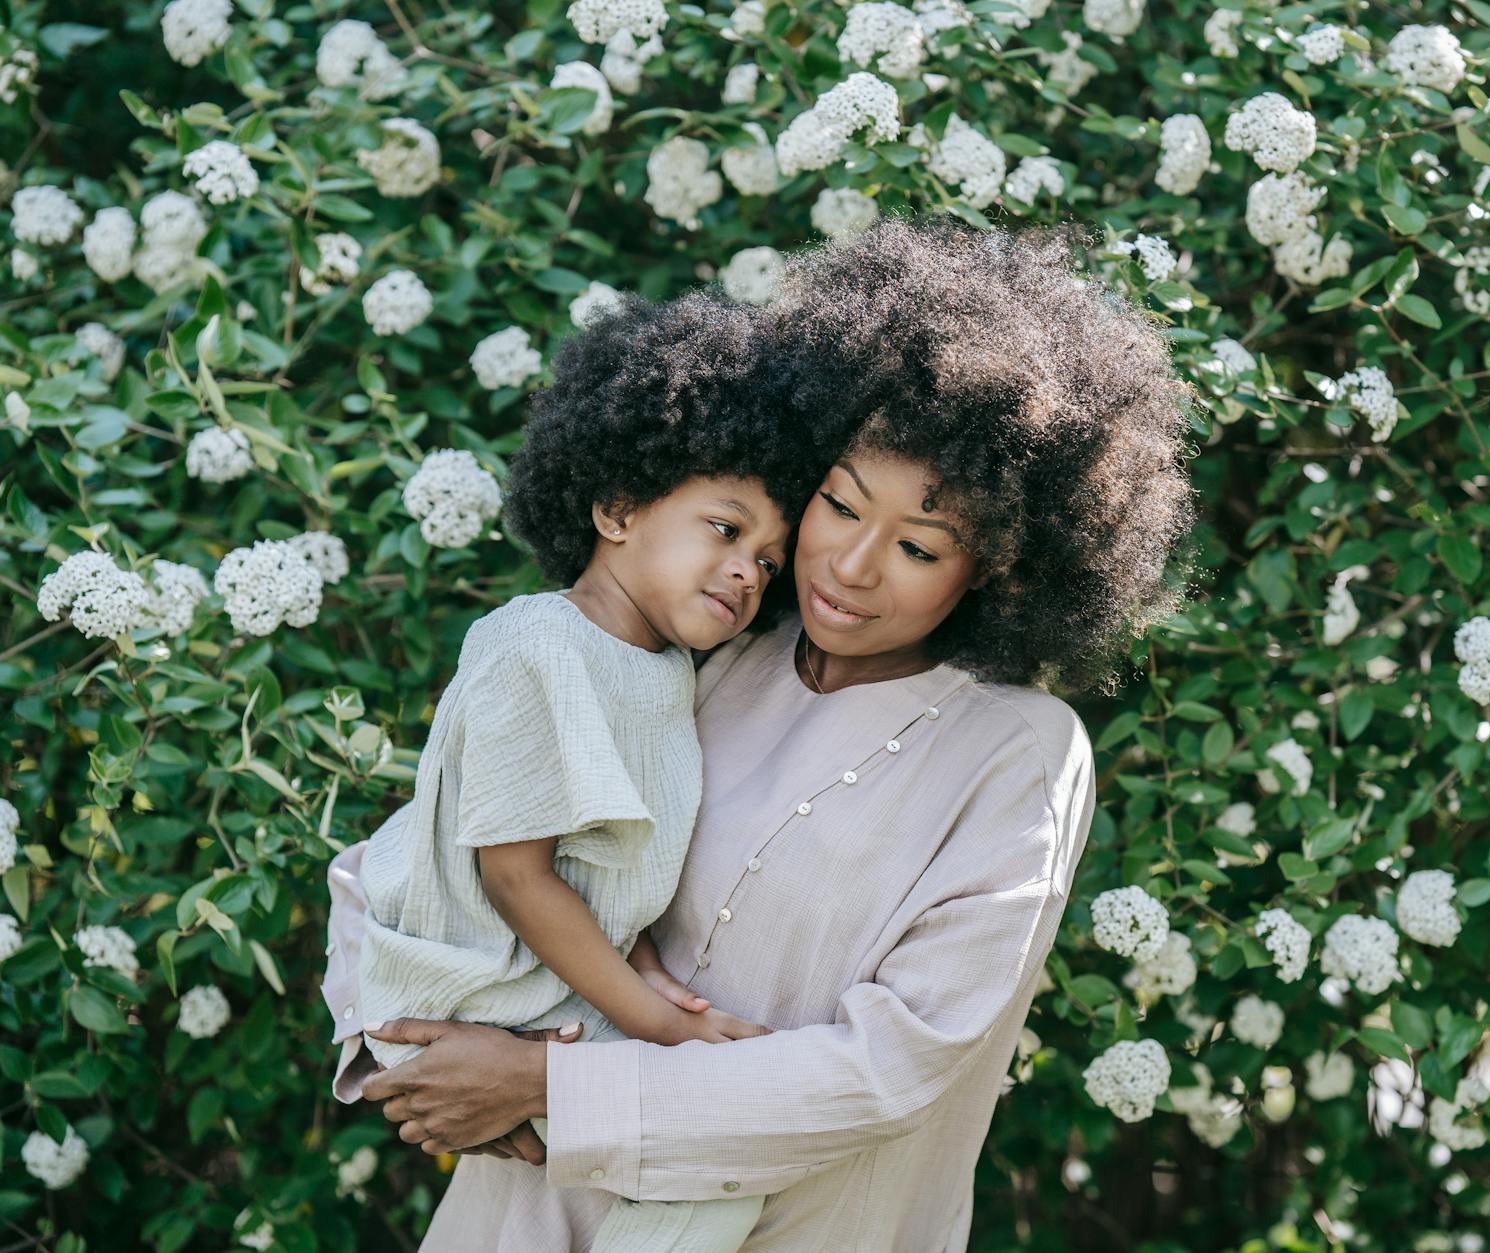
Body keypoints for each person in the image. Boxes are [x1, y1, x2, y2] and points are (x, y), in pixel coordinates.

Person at [319, 219, 1195, 1251]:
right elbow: (407, 858)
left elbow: (887, 1069)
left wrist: (552, 1086)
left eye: (917, 544)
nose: (852, 565)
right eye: (836, 503)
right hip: (520, 1210)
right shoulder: (698, 649)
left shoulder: (1017, 756)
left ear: (1000, 566)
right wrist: (414, 1059)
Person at [337, 292, 841, 1251]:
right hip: (473, 981)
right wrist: (657, 1022)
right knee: (712, 1160)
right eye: (725, 530)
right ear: (616, 507)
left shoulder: (663, 670)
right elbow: (516, 874)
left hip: (546, 982)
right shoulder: (538, 642)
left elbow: (604, 867)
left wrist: (648, 969)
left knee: (696, 1159)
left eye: (770, 563)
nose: (748, 572)